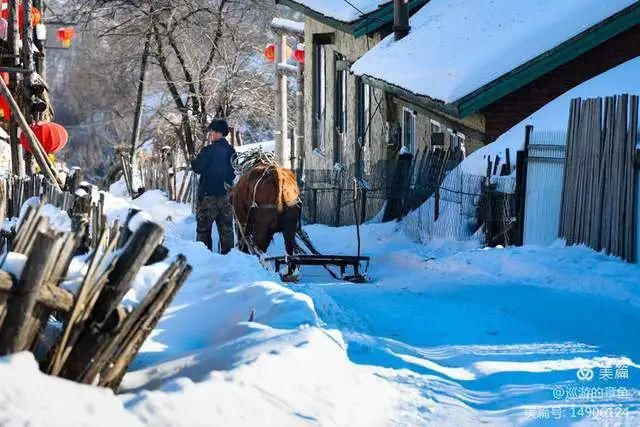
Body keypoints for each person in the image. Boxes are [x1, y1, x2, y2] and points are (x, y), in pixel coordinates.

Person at [191, 119, 236, 253]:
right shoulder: (231, 151)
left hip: (208, 198)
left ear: (218, 133)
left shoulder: (208, 151)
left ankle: (205, 261)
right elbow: (234, 173)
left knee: (203, 232)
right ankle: (229, 261)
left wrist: (194, 159)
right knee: (227, 232)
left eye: (212, 132)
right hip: (226, 197)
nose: (210, 134)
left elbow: (197, 168)